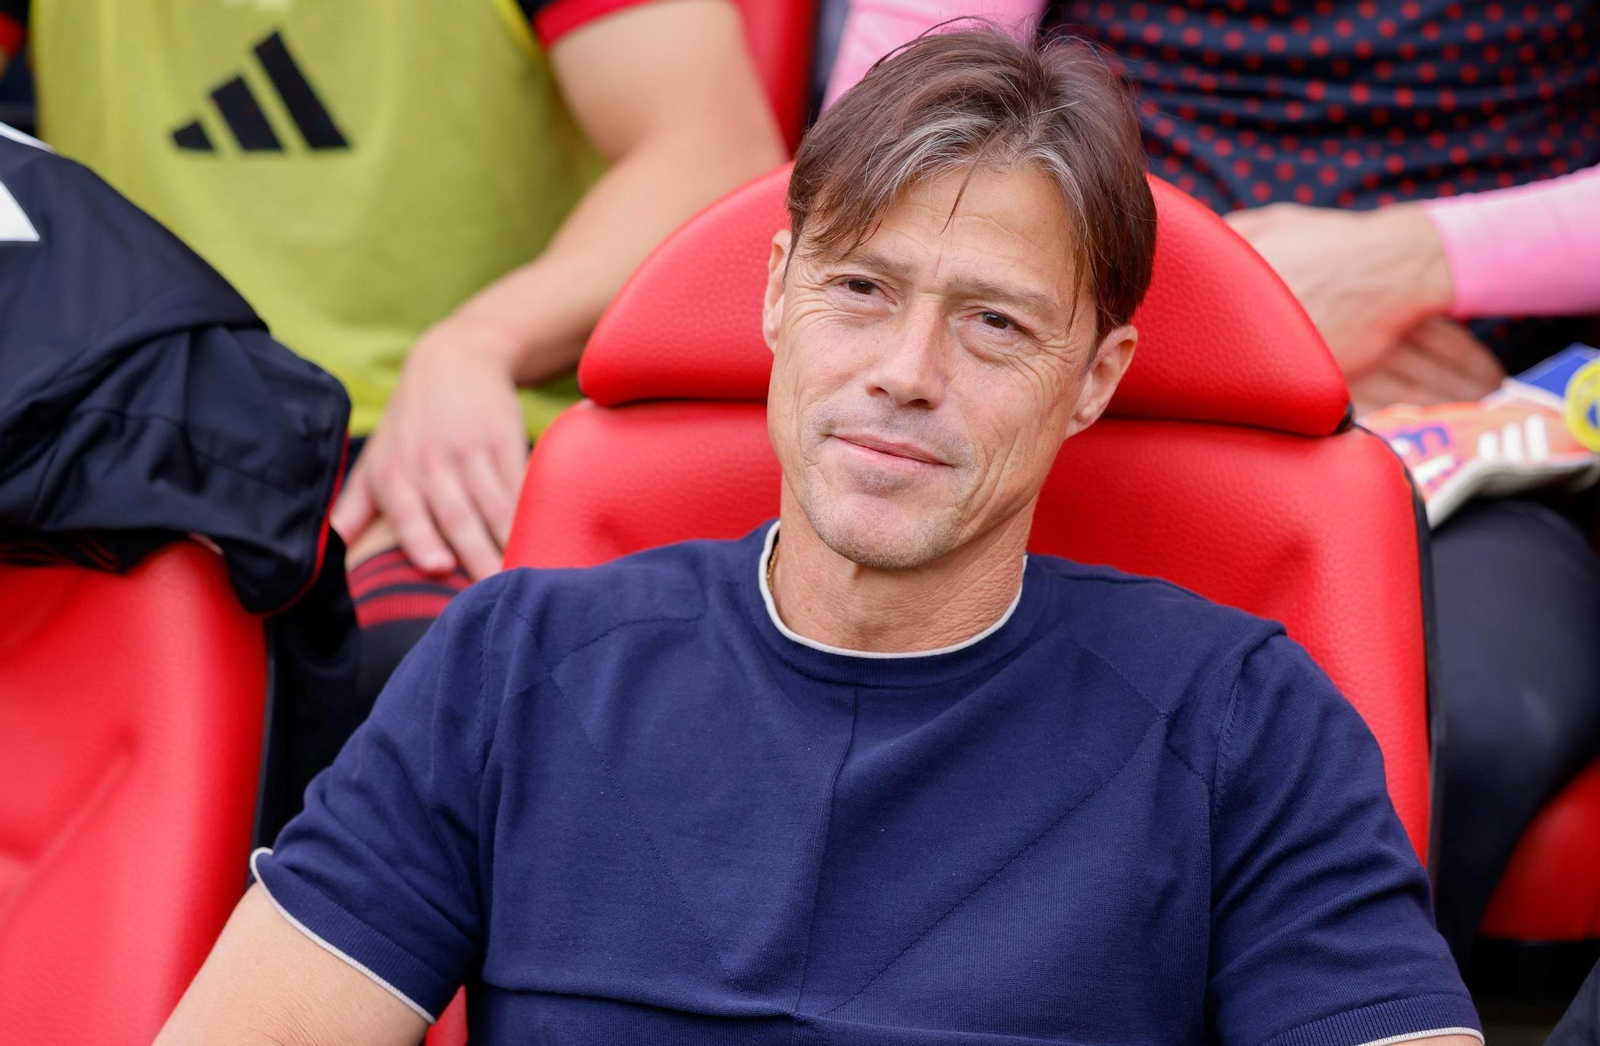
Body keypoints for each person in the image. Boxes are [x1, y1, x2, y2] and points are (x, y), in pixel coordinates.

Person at [156, 29, 1481, 1046]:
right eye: (863, 288)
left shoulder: (1242, 723)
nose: (906, 370)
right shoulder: (514, 661)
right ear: (778, 291)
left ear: (1097, 374)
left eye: (996, 323)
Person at [825, 0, 1600, 965]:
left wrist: (1414, 263)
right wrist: (1232, 312)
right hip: (1072, 387)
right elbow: (894, 124)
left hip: (1484, 438)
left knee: (1442, 724)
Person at [0, 0, 786, 711]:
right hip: (148, 427)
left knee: (433, 685)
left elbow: (716, 152)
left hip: (446, 431)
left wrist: (482, 340)